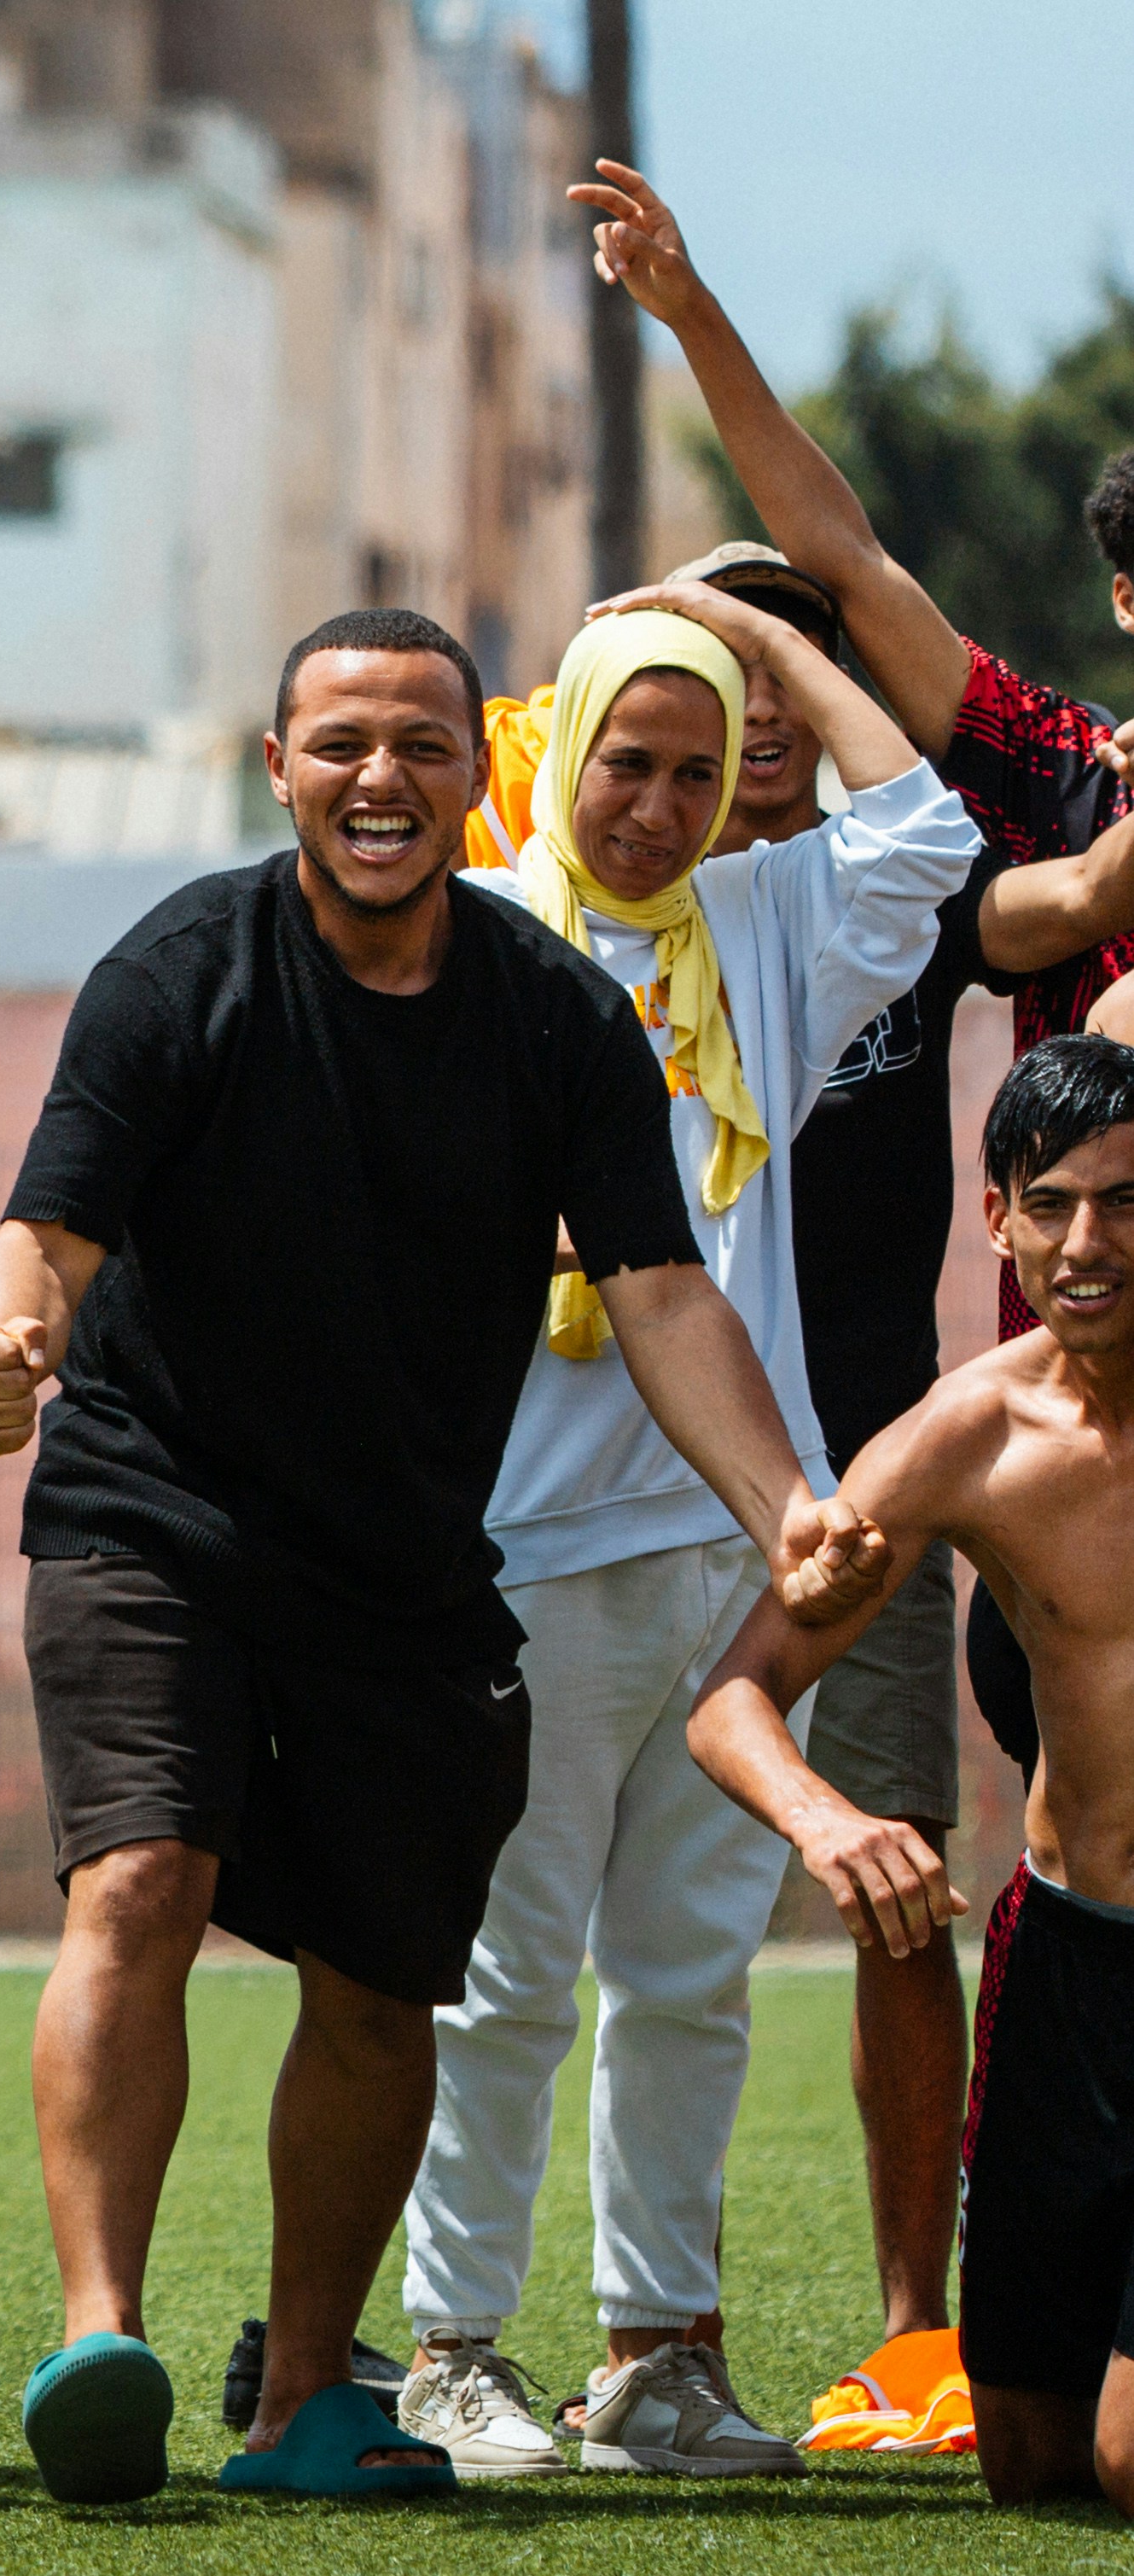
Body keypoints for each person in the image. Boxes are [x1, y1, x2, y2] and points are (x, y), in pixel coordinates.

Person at [0, 607, 886, 2503]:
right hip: (158, 1503)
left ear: (479, 775)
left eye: (420, 746)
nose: (379, 777)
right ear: (276, 764)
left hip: (401, 1547)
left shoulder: (553, 1013)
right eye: (340, 743)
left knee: (387, 1971)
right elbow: (47, 1229)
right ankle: (96, 2335)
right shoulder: (181, 968)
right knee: (140, 1872)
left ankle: (308, 2393)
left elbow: (655, 1288)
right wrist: (0, 1340)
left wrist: (783, 1502)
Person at [531, 166, 1134, 2397]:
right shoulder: (582, 924)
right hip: (826, 1469)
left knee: (978, 1875)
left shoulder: (916, 886)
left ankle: (948, 2316)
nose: (745, 731)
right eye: (696, 700)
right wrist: (688, 321)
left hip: (884, 1451)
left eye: (762, 694)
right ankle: (910, 2332)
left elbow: (1034, 903)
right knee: (949, 1874)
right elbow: (856, 576)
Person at [380, 583, 968, 2478]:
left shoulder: (765, 920)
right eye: (623, 757)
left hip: (746, 1529)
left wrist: (741, 627)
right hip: (524, 1536)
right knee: (507, 1966)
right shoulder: (462, 941)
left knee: (691, 1972)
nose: (653, 802)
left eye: (697, 768)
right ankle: (450, 2347)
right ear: (560, 749)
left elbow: (927, 831)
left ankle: (655, 2357)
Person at [692, 1034, 1134, 2513]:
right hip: (1069, 1968)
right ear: (995, 1215)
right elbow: (734, 1701)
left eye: (1129, 1203)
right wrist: (828, 1820)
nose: (1088, 1244)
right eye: (1054, 1203)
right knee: (1027, 2464)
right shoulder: (970, 1435)